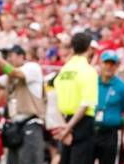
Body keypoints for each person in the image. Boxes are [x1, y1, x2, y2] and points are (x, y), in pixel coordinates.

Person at [0, 45, 45, 164]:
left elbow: (14, 72)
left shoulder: (32, 67)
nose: (9, 59)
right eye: (7, 56)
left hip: (31, 124)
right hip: (15, 126)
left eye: (11, 56)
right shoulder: (10, 75)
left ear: (21, 56)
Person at [54, 32, 99, 164]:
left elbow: (55, 99)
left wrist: (64, 127)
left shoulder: (64, 70)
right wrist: (68, 128)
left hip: (65, 120)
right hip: (82, 123)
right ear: (89, 48)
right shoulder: (88, 71)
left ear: (72, 48)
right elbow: (85, 104)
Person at [94, 51, 124, 164]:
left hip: (110, 133)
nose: (109, 66)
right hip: (91, 131)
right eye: (106, 63)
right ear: (100, 64)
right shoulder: (92, 83)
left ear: (117, 66)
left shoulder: (123, 88)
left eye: (112, 64)